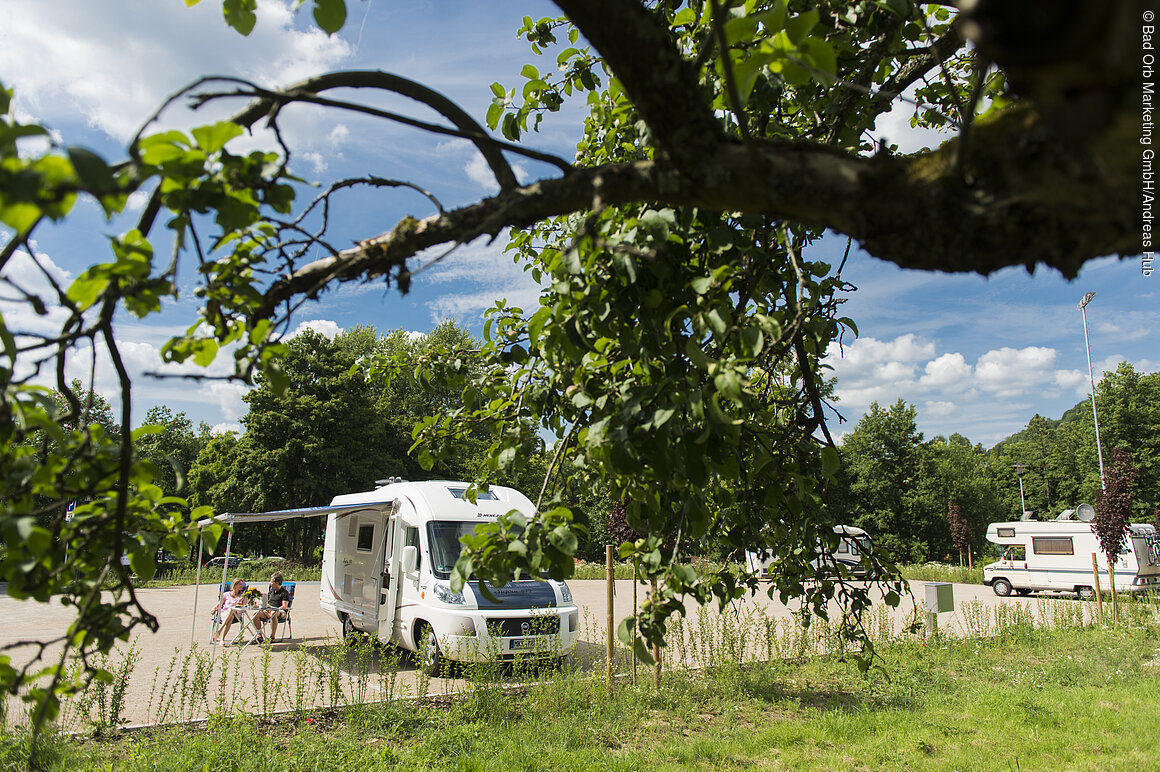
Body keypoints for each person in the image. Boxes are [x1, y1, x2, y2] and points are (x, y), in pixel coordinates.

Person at [251, 572, 291, 642]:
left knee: (273, 613)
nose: (270, 583)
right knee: (255, 613)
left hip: (280, 611)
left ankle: (272, 636)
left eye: (272, 582)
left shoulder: (284, 593)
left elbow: (284, 606)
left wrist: (274, 609)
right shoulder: (271, 592)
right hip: (268, 610)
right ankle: (259, 635)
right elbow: (267, 603)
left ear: (277, 583)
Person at [212, 578, 246, 645]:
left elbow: (245, 605)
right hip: (225, 613)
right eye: (240, 584)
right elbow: (219, 603)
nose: (241, 586)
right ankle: (222, 640)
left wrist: (245, 597)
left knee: (231, 610)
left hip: (237, 615)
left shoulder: (242, 596)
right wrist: (213, 608)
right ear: (235, 585)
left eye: (242, 585)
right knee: (230, 617)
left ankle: (220, 630)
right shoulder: (226, 594)